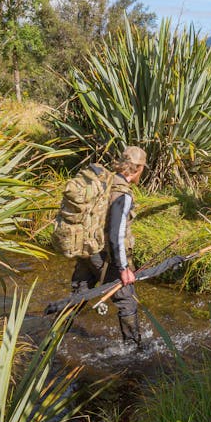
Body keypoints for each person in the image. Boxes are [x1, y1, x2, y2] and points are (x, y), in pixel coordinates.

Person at [70, 145, 147, 347]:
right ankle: (133, 350)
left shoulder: (104, 181)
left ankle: (58, 330)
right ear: (138, 169)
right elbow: (116, 235)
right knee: (127, 301)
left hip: (86, 248)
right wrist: (123, 269)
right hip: (103, 256)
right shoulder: (123, 195)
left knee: (80, 293)